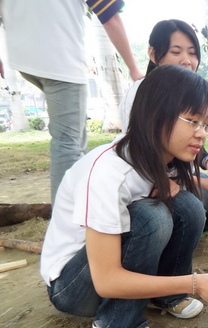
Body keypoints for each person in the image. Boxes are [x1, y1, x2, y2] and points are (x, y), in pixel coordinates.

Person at [40, 65, 208, 328]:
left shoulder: (160, 159)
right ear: (155, 114)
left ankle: (167, 296)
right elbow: (106, 279)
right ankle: (114, 323)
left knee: (189, 206)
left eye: (206, 124)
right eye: (192, 121)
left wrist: (199, 184)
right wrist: (196, 283)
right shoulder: (108, 173)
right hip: (74, 287)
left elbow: (180, 198)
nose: (202, 134)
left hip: (101, 273)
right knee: (151, 217)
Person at [0, 0, 144, 204]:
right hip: (60, 60)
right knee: (67, 144)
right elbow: (110, 16)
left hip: (24, 57)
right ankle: (64, 225)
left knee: (75, 139)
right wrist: (134, 68)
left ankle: (83, 203)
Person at [119, 19, 208, 232]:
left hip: (185, 175)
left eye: (192, 53)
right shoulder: (142, 95)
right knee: (195, 204)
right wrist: (200, 182)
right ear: (154, 55)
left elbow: (188, 136)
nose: (187, 61)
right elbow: (139, 155)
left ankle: (192, 230)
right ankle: (178, 235)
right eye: (176, 52)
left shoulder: (190, 91)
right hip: (154, 181)